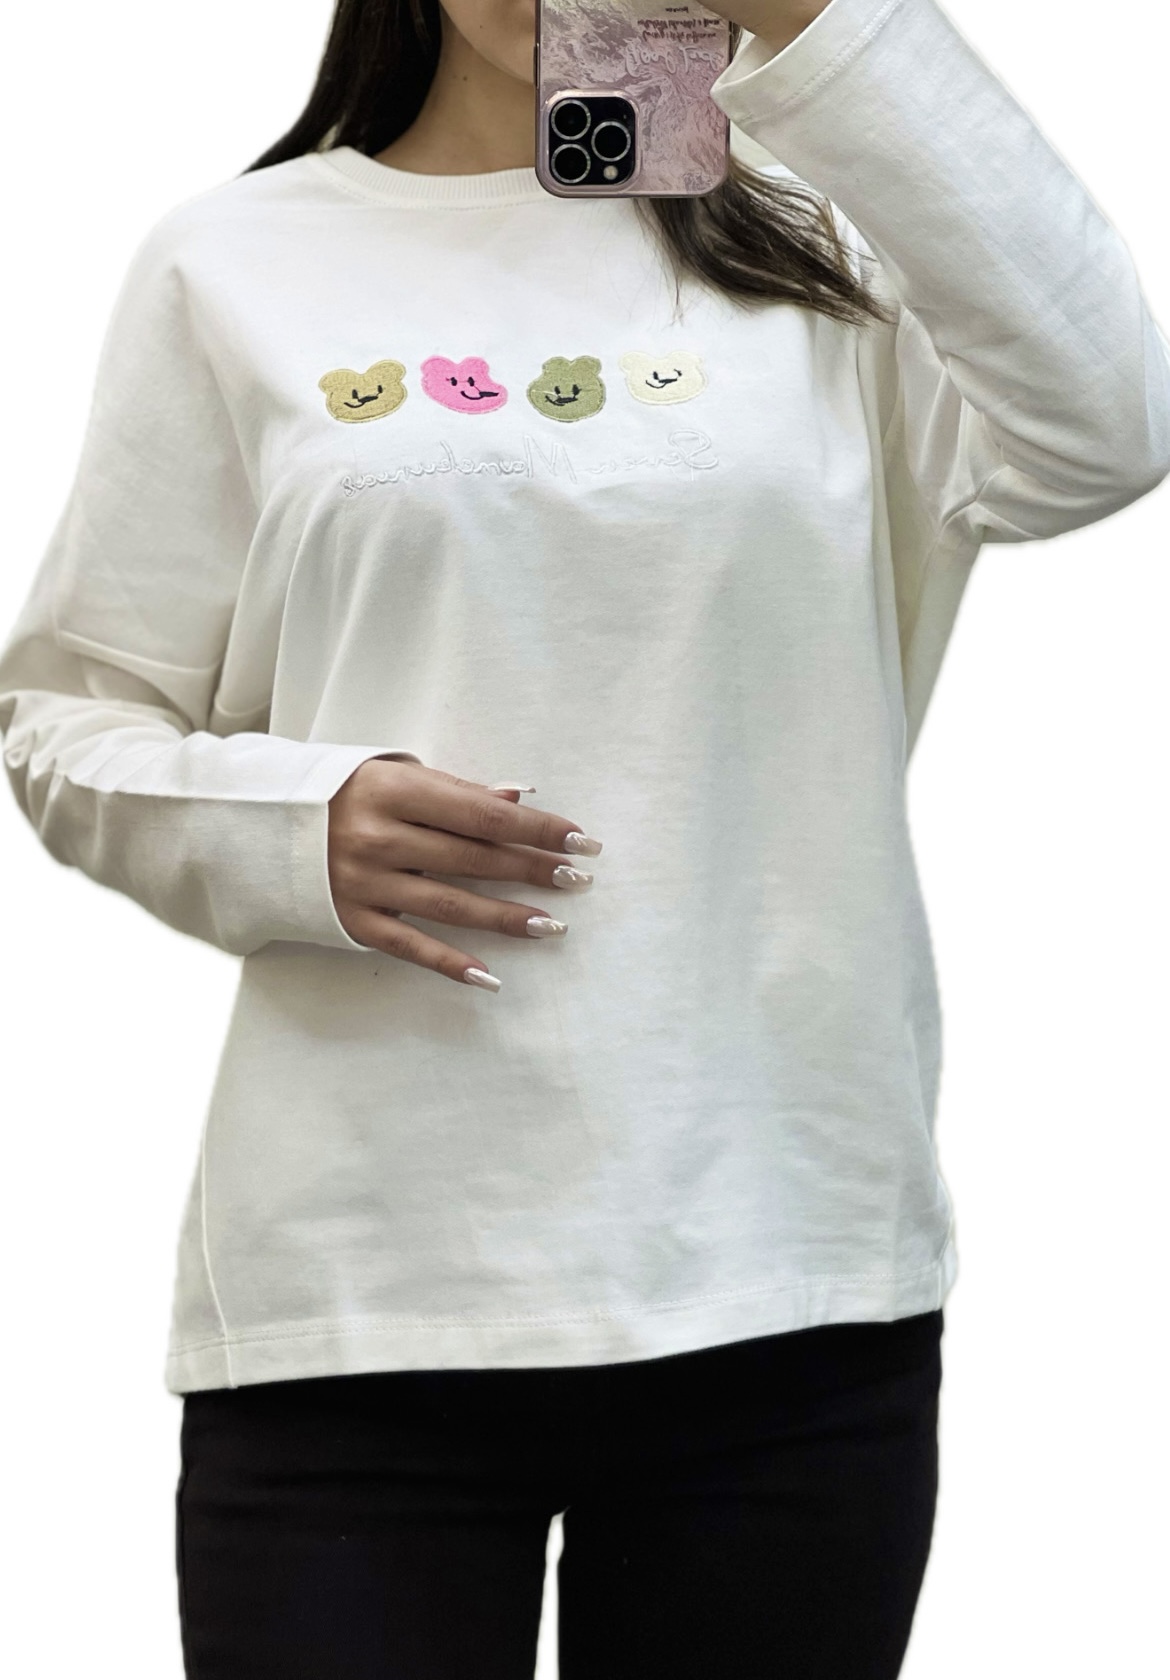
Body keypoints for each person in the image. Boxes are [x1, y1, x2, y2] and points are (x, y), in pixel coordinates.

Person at [2, 0, 1168, 1674]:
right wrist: (287, 825)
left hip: (781, 1268)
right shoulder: (233, 260)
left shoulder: (845, 252)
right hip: (366, 1289)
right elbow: (73, 709)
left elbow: (1106, 431)